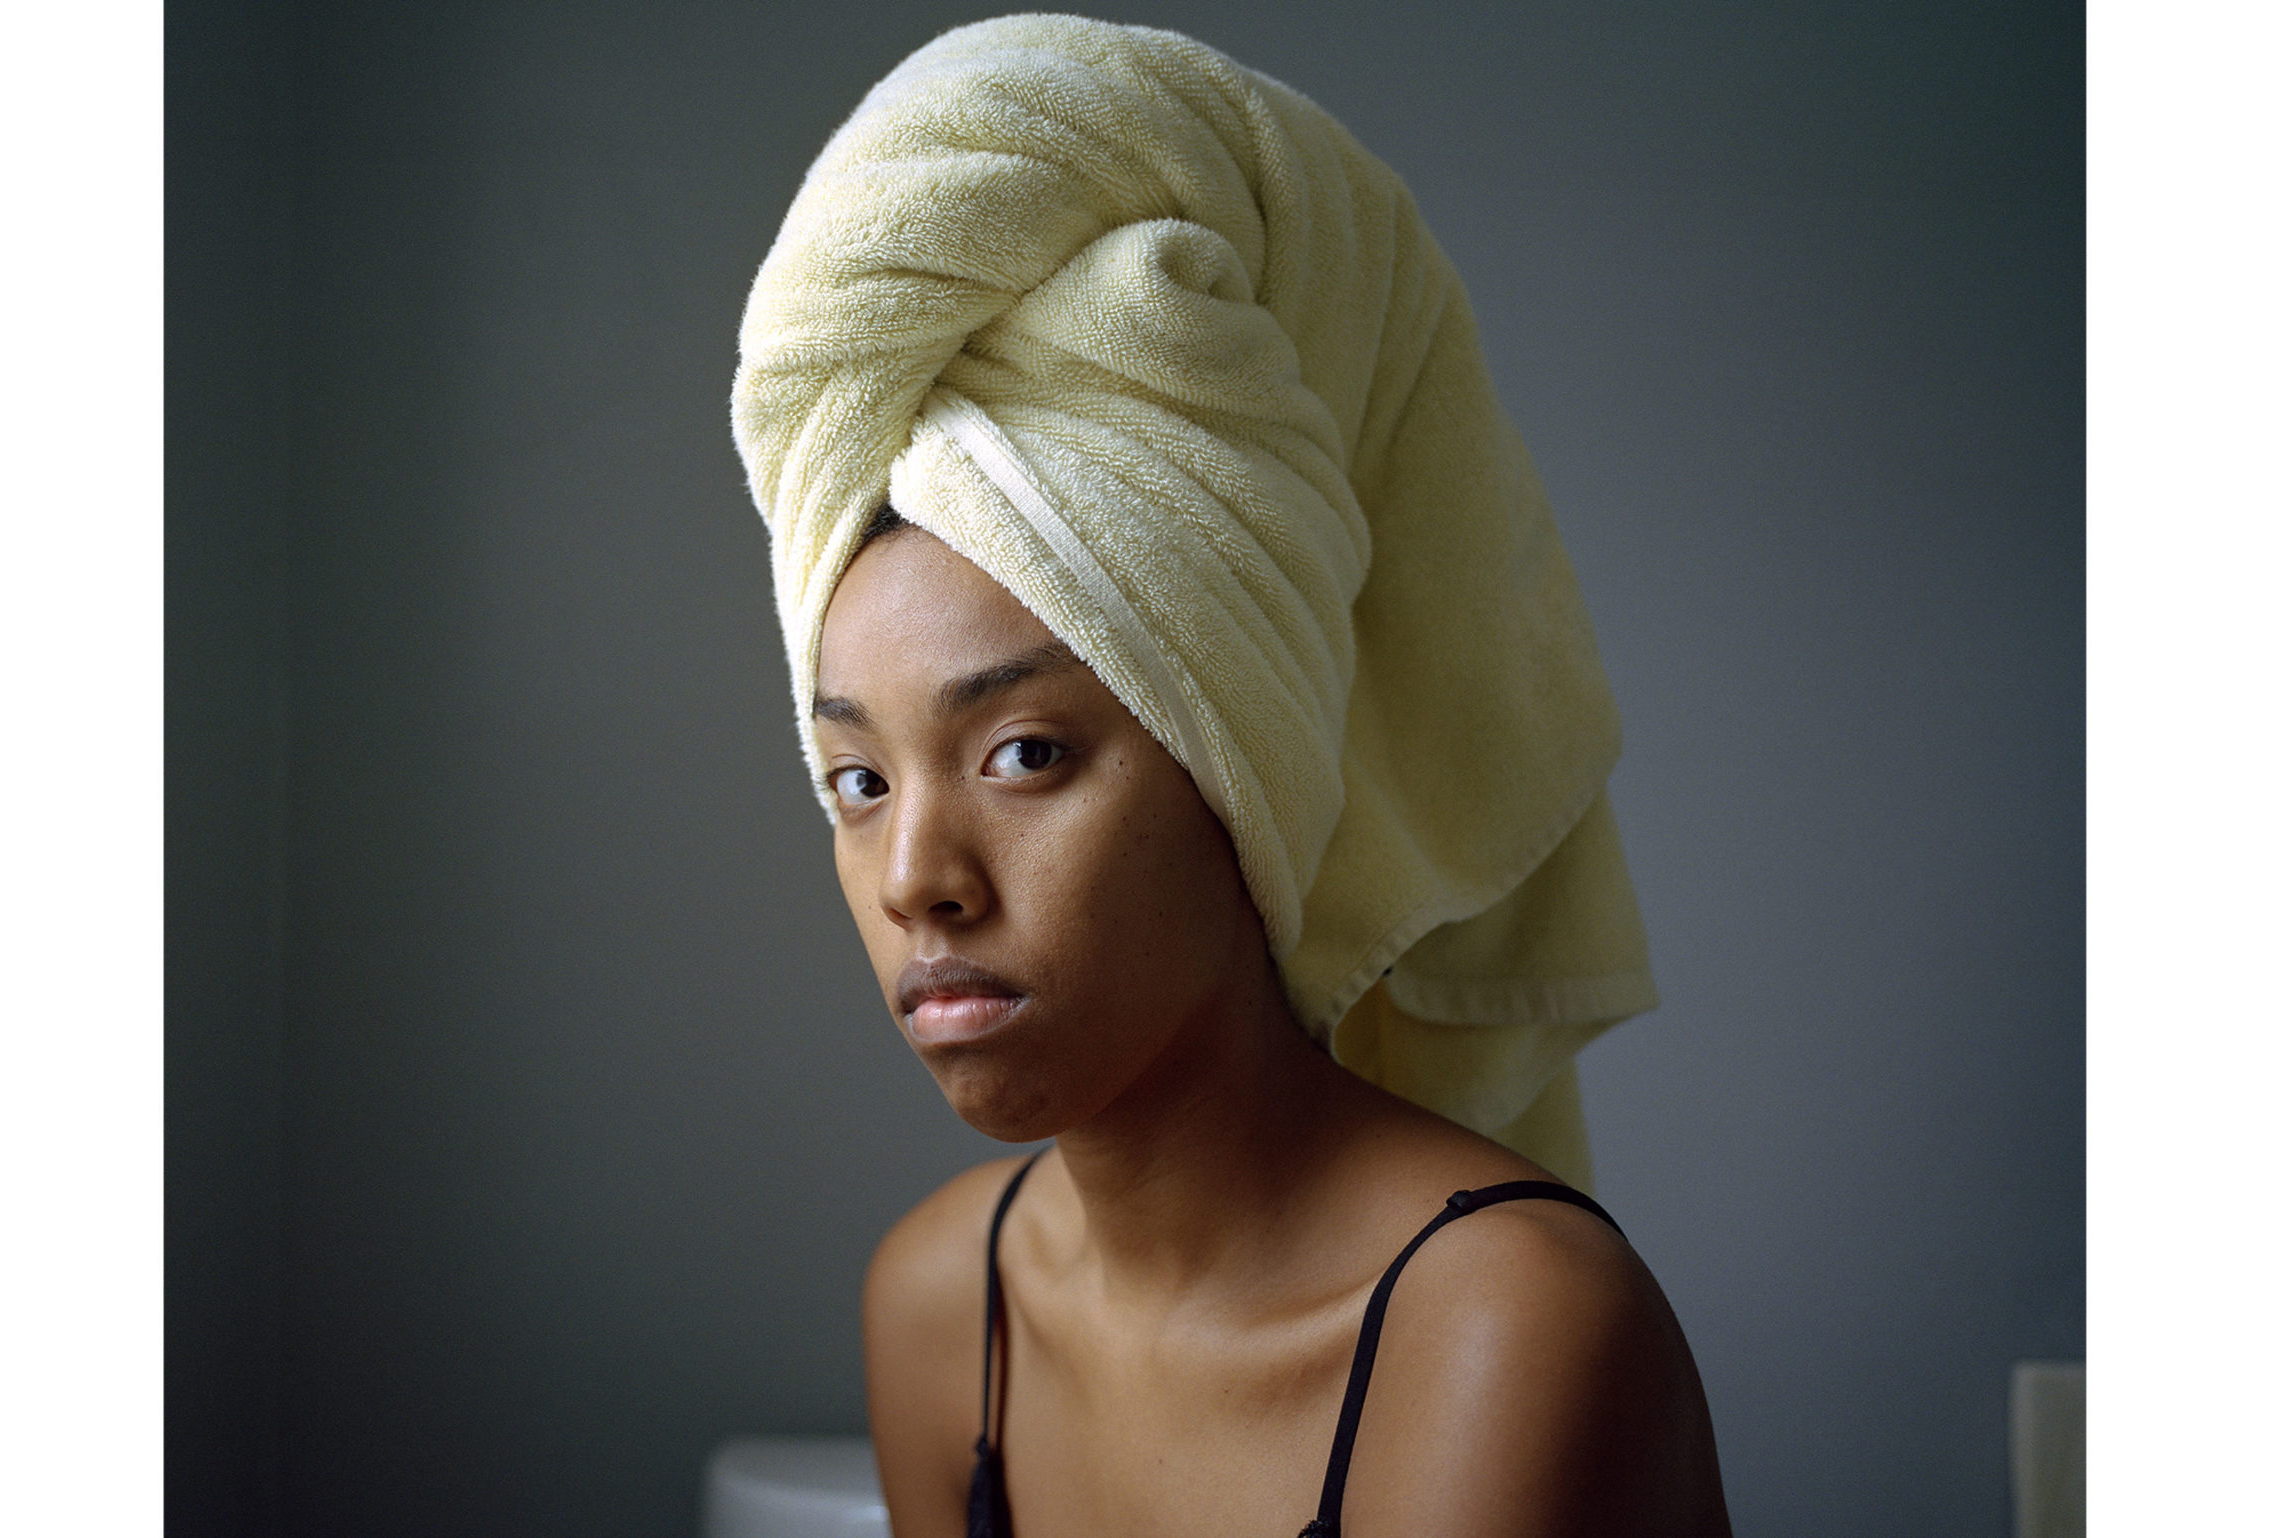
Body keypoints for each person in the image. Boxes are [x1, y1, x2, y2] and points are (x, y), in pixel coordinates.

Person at [734, 17, 1733, 1536]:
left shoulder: (1506, 1331)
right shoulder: (943, 1308)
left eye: (1024, 753)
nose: (915, 873)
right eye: (855, 779)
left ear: (1240, 776)